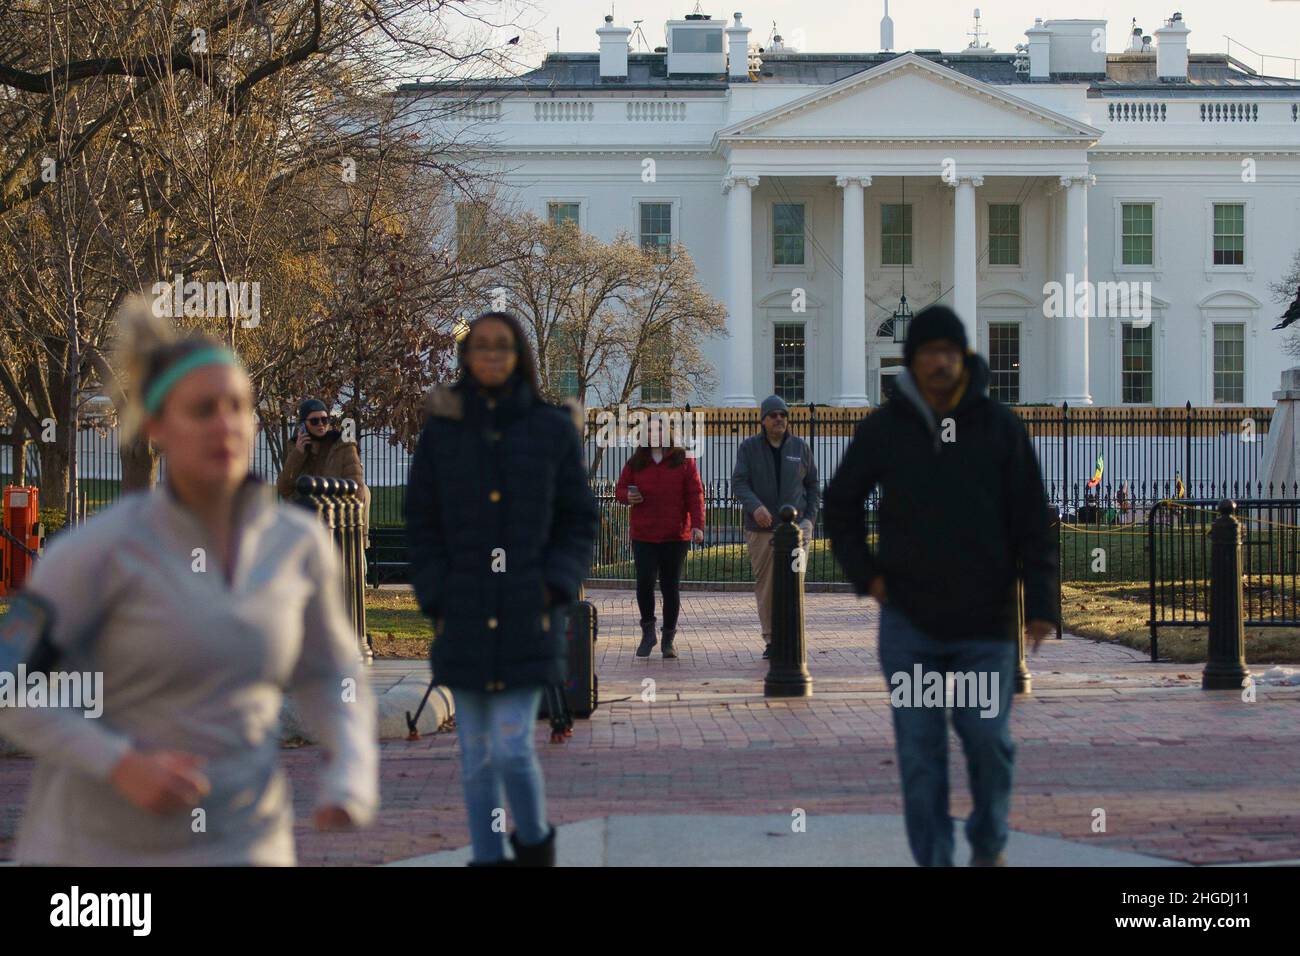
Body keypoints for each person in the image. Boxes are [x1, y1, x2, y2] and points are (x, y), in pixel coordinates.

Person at [0, 295, 378, 865]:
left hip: (246, 839)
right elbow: (9, 686)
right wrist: (118, 762)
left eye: (237, 407)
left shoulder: (296, 546)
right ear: (156, 425)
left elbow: (332, 674)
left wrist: (351, 766)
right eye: (202, 410)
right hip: (101, 856)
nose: (224, 424)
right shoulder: (96, 552)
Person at [823, 304, 1058, 867]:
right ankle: (934, 860)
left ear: (965, 358)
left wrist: (1042, 604)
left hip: (986, 622)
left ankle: (988, 845)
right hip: (912, 625)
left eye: (951, 352)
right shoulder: (885, 428)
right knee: (922, 756)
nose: (941, 363)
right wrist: (869, 575)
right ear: (912, 360)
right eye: (930, 352)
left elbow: (1032, 519)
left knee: (988, 742)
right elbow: (840, 503)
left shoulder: (999, 426)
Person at [406, 310, 598, 866]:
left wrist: (555, 582)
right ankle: (487, 859)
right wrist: (435, 591)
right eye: (480, 346)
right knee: (475, 758)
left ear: (520, 356)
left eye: (503, 346)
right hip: (463, 614)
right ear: (467, 357)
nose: (491, 355)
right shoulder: (443, 430)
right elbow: (423, 520)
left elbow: (577, 519)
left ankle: (535, 846)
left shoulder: (551, 428)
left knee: (513, 749)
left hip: (526, 614)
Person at [731, 395, 819, 660]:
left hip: (797, 531)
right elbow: (739, 482)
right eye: (773, 415)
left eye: (783, 414)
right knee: (767, 584)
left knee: (793, 581)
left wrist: (810, 519)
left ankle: (791, 635)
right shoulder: (749, 448)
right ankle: (771, 638)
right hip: (761, 529)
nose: (779, 419)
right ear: (763, 420)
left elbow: (813, 485)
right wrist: (755, 506)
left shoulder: (800, 447)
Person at [614, 418, 706, 659]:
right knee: (644, 583)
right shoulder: (636, 462)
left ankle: (668, 638)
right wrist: (627, 496)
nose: (655, 434)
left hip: (675, 535)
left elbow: (695, 494)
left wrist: (698, 526)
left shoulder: (684, 460)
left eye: (660, 430)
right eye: (651, 430)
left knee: (670, 586)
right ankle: (648, 632)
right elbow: (620, 489)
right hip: (644, 534)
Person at [276, 398, 371, 549]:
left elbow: (357, 490)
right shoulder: (297, 447)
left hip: (339, 529)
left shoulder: (343, 445)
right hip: (307, 532)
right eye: (314, 421)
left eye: (324, 419)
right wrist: (298, 454)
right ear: (303, 425)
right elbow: (284, 488)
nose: (321, 424)